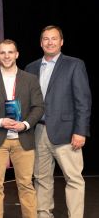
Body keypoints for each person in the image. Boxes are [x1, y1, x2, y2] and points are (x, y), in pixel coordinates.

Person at [25, 25, 91, 218]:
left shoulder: (74, 64)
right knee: (41, 179)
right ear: (40, 43)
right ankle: (43, 215)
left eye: (54, 38)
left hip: (67, 133)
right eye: (46, 39)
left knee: (74, 179)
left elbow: (83, 101)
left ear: (61, 42)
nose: (50, 42)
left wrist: (80, 131)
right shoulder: (31, 68)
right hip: (38, 132)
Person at [0, 39, 44, 218]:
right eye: (2, 53)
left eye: (10, 52)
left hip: (24, 138)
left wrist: (25, 124)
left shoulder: (30, 79)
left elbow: (38, 107)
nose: (6, 56)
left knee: (26, 185)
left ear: (17, 54)